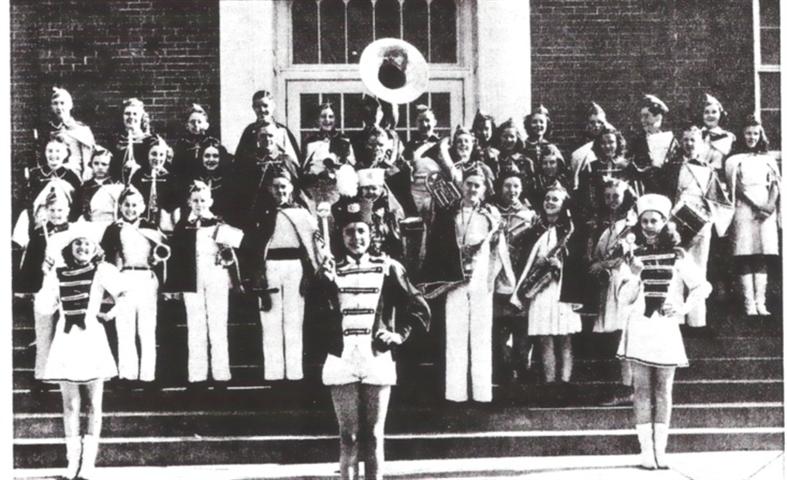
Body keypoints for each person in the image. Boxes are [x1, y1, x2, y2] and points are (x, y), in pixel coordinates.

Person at [315, 198, 430, 480]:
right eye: (349, 232)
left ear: (371, 233)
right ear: (341, 236)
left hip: (375, 358)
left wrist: (398, 335)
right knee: (349, 436)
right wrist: (321, 282)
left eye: (361, 231)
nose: (356, 238)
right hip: (342, 358)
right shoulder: (330, 268)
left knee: (374, 436)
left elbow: (419, 307)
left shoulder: (388, 267)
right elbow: (314, 312)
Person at [616, 194, 710, 469]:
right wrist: (635, 274)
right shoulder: (632, 255)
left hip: (665, 327)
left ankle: (661, 451)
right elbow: (623, 299)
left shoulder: (678, 254)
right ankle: (646, 452)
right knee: (642, 389)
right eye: (644, 221)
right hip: (640, 326)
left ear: (664, 222)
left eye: (654, 221)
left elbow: (702, 286)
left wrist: (681, 308)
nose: (648, 226)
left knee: (664, 390)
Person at [36, 224, 127, 480]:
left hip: (92, 340)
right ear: (70, 247)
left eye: (87, 243)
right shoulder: (57, 273)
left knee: (94, 404)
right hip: (66, 341)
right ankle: (72, 462)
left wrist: (110, 314)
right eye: (78, 243)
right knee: (70, 405)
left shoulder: (102, 270)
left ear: (95, 247)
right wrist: (45, 277)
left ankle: (88, 464)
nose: (83, 247)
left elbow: (125, 294)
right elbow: (44, 307)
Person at [420, 168, 514, 403]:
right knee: (455, 336)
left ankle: (482, 394)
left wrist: (491, 278)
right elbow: (437, 245)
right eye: (468, 184)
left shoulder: (490, 215)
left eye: (477, 185)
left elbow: (498, 251)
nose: (472, 189)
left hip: (481, 280)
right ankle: (456, 394)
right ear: (461, 186)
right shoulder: (449, 213)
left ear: (484, 190)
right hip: (455, 280)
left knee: (482, 336)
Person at [239, 167, 320, 382]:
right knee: (270, 321)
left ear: (291, 188)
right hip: (269, 268)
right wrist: (257, 274)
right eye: (275, 187)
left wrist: (309, 274)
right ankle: (274, 375)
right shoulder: (261, 214)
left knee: (294, 321)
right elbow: (254, 247)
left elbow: (312, 247)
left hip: (295, 268)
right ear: (269, 189)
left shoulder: (302, 214)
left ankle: (294, 375)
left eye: (283, 186)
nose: (280, 191)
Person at [511, 183, 583, 389]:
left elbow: (577, 262)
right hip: (540, 290)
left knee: (565, 339)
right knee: (545, 338)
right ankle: (550, 384)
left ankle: (565, 383)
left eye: (555, 199)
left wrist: (560, 265)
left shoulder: (570, 230)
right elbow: (525, 260)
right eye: (547, 199)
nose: (550, 202)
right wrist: (539, 263)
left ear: (563, 204)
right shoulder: (535, 229)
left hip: (562, 289)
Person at [167, 181, 237, 388]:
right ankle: (197, 377)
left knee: (218, 325)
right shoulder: (182, 225)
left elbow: (231, 253)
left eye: (203, 200)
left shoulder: (220, 223)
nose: (199, 204)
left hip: (216, 274)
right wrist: (175, 286)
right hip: (191, 276)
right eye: (195, 200)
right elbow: (177, 257)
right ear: (189, 202)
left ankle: (221, 376)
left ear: (211, 201)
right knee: (196, 326)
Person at [661, 124, 729, 328]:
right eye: (686, 140)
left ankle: (697, 320)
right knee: (675, 269)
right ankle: (675, 318)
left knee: (698, 271)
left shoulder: (708, 169)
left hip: (700, 224)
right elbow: (665, 196)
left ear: (700, 143)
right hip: (676, 223)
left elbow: (718, 200)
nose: (689, 144)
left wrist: (707, 217)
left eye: (693, 140)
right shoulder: (671, 167)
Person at [100, 186, 168, 387]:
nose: (130, 209)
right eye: (127, 205)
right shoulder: (114, 228)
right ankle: (127, 376)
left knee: (147, 329)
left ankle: (148, 376)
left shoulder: (151, 227)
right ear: (120, 206)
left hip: (146, 277)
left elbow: (164, 253)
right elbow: (105, 258)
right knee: (125, 329)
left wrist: (156, 260)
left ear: (143, 206)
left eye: (135, 205)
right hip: (125, 277)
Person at [15, 187, 74, 386]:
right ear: (46, 211)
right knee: (43, 333)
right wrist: (40, 272)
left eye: (60, 210)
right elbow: (31, 264)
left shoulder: (75, 232)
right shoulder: (40, 233)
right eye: (52, 210)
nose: (56, 214)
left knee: (68, 333)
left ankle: (66, 374)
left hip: (69, 285)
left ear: (68, 210)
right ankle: (42, 375)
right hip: (46, 286)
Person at [588, 178, 638, 405]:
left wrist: (603, 264)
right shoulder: (601, 221)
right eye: (607, 196)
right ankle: (620, 385)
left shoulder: (632, 221)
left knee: (624, 333)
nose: (611, 200)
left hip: (625, 279)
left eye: (616, 196)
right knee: (611, 335)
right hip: (606, 283)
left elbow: (629, 254)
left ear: (625, 197)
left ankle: (629, 387)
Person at [725, 115, 780, 316]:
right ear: (742, 135)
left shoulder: (767, 159)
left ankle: (761, 303)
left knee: (762, 254)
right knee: (745, 253)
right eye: (748, 133)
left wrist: (770, 205)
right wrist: (755, 205)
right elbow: (735, 187)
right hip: (744, 209)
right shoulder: (734, 160)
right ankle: (749, 304)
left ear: (760, 135)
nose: (752, 137)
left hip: (766, 210)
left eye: (755, 133)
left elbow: (775, 184)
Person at [492, 171, 535, 385]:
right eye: (507, 186)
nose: (512, 190)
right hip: (499, 278)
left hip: (521, 276)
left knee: (522, 328)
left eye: (516, 186)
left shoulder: (530, 215)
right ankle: (504, 371)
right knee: (500, 328)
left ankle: (523, 370)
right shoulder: (492, 213)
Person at [333, 168, 404, 260]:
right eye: (366, 188)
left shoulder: (389, 209)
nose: (370, 192)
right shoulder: (356, 205)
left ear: (381, 189)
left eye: (374, 188)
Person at [235, 90, 301, 170]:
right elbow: (239, 161)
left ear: (273, 106)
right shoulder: (249, 131)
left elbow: (294, 163)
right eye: (257, 106)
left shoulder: (282, 130)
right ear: (253, 108)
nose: (262, 110)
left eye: (265, 105)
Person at [41, 86, 95, 181]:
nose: (59, 107)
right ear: (51, 107)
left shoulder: (81, 129)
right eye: (55, 103)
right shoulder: (47, 129)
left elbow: (88, 158)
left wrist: (87, 173)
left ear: (70, 105)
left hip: (74, 175)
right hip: (51, 175)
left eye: (62, 103)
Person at [129, 136, 181, 233]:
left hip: (163, 224)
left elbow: (174, 204)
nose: (157, 158)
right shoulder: (138, 175)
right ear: (147, 154)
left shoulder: (171, 178)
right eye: (154, 154)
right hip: (140, 223)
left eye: (161, 155)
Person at [628, 94, 678, 194]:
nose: (642, 120)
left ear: (658, 117)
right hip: (645, 190)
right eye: (642, 116)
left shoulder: (670, 140)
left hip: (667, 190)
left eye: (646, 116)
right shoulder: (637, 141)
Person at [188, 137, 235, 221]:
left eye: (215, 156)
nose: (211, 159)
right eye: (207, 156)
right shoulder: (193, 179)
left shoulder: (228, 181)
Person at [111, 97, 155, 184]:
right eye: (127, 113)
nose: (131, 117)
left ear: (141, 117)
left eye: (135, 114)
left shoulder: (151, 141)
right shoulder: (115, 141)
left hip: (143, 184)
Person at [77, 147, 122, 223]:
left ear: (110, 166)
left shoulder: (117, 187)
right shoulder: (84, 188)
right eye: (96, 163)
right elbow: (76, 213)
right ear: (91, 165)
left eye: (104, 164)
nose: (100, 167)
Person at [570, 102, 609, 187]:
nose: (596, 126)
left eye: (600, 122)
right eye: (592, 122)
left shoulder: (608, 143)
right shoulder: (580, 144)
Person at [699, 94, 736, 180]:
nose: (710, 115)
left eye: (714, 112)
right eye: (706, 112)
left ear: (720, 114)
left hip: (717, 179)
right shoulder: (696, 134)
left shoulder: (728, 137)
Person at [172, 103, 212, 179]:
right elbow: (176, 168)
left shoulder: (212, 143)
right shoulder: (181, 144)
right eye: (192, 122)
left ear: (206, 125)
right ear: (187, 126)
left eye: (199, 122)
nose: (196, 125)